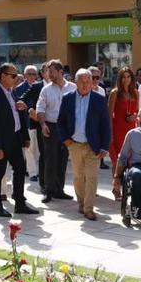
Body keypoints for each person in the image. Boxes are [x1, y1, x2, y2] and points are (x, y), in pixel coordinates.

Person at [0, 63, 39, 217]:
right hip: (2, 142)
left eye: (17, 75)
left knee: (20, 169)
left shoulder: (12, 92)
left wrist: (25, 137)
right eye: (13, 76)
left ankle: (20, 203)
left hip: (15, 139)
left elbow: (18, 115)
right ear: (3, 76)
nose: (16, 78)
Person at [58, 68, 111, 220]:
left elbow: (105, 125)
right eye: (82, 81)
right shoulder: (67, 98)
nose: (86, 84)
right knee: (78, 177)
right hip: (74, 144)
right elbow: (60, 121)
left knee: (92, 177)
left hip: (92, 145)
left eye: (88, 81)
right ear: (76, 82)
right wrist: (66, 139)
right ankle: (81, 203)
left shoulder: (99, 100)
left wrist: (104, 146)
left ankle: (89, 208)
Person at [36, 59, 76, 203]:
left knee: (63, 158)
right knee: (50, 158)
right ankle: (48, 190)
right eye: (48, 72)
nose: (49, 74)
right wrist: (43, 125)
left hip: (66, 128)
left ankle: (59, 189)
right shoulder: (46, 89)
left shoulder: (72, 88)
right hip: (50, 126)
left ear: (61, 72)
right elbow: (40, 109)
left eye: (52, 71)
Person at [108, 67, 139, 198]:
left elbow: (137, 111)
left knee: (130, 160)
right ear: (119, 79)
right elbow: (109, 115)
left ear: (132, 78)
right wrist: (109, 134)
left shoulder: (136, 93)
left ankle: (127, 185)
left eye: (128, 77)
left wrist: (135, 117)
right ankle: (116, 187)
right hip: (117, 129)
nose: (126, 80)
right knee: (116, 161)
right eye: (123, 77)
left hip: (131, 130)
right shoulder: (115, 93)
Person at [15, 64, 41, 182]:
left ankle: (37, 170)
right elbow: (18, 104)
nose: (32, 76)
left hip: (39, 121)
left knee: (38, 149)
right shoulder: (19, 88)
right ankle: (32, 173)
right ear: (25, 75)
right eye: (29, 74)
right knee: (30, 148)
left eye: (34, 74)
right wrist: (29, 110)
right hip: (27, 121)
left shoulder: (40, 87)